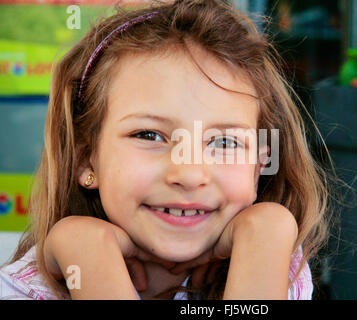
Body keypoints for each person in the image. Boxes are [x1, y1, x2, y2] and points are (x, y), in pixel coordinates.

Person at [0, 0, 334, 300]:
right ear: (86, 158)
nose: (189, 174)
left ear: (261, 163)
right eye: (150, 135)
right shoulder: (21, 291)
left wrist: (268, 229)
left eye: (224, 142)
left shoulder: (271, 265)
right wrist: (89, 257)